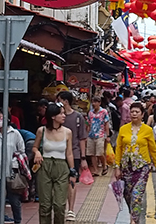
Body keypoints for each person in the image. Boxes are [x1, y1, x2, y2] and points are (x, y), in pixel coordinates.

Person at [115, 102, 156, 224]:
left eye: (137, 112)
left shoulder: (148, 130)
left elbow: (153, 150)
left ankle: (133, 221)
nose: (134, 114)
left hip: (142, 168)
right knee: (128, 196)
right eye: (132, 112)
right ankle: (134, 217)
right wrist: (117, 167)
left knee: (136, 197)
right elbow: (118, 148)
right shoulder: (123, 129)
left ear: (142, 115)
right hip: (126, 168)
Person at [32, 103, 78, 224]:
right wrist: (37, 152)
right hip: (45, 165)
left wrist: (73, 172)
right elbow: (35, 147)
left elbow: (69, 153)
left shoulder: (67, 132)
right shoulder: (41, 131)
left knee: (59, 205)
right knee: (45, 205)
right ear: (53, 116)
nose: (64, 116)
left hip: (62, 167)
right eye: (61, 113)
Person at [0, 109, 25, 224]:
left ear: (7, 119)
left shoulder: (15, 134)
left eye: (1, 117)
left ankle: (18, 221)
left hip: (11, 174)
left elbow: (22, 151)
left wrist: (15, 162)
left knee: (14, 201)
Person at [57, 91, 88, 222]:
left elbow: (82, 138)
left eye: (59, 100)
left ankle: (71, 209)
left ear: (65, 101)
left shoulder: (78, 117)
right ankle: (60, 208)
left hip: (73, 154)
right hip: (58, 154)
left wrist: (83, 158)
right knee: (59, 183)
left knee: (71, 182)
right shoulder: (56, 117)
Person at [86, 96, 110, 176]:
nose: (94, 104)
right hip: (91, 135)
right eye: (93, 102)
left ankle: (104, 165)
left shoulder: (104, 111)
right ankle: (95, 170)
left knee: (99, 153)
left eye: (95, 102)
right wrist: (87, 134)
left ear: (99, 103)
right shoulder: (90, 112)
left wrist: (107, 135)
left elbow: (106, 123)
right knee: (92, 153)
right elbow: (88, 123)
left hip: (100, 134)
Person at [18, 127, 37, 201]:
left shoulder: (15, 132)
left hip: (30, 143)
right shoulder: (24, 132)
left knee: (24, 166)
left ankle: (26, 193)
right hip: (34, 143)